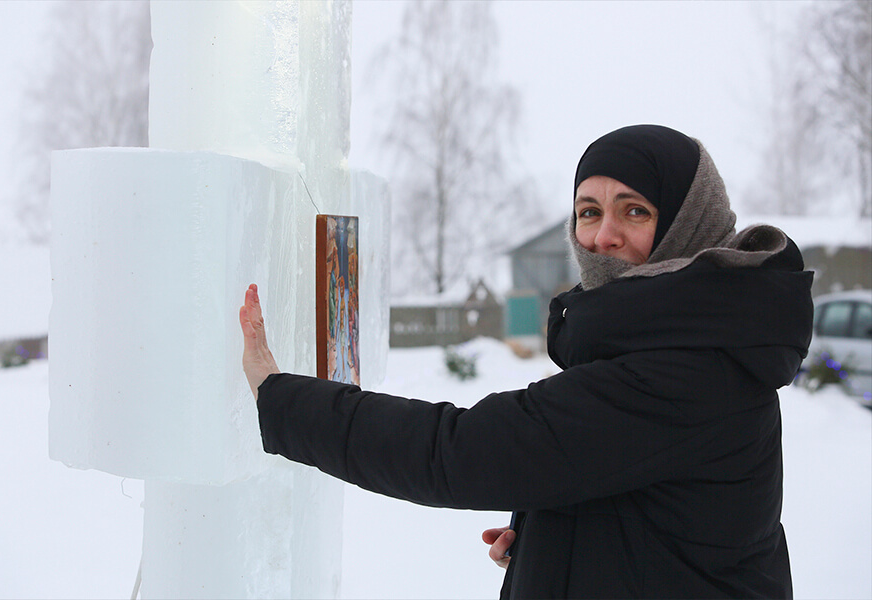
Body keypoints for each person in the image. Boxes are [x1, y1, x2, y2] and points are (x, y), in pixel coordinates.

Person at [240, 125, 813, 598]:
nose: (602, 236)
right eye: (588, 211)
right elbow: (649, 502)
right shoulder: (692, 340)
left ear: (690, 222)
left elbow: (457, 452)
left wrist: (282, 398)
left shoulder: (687, 370)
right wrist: (550, 536)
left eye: (634, 211)